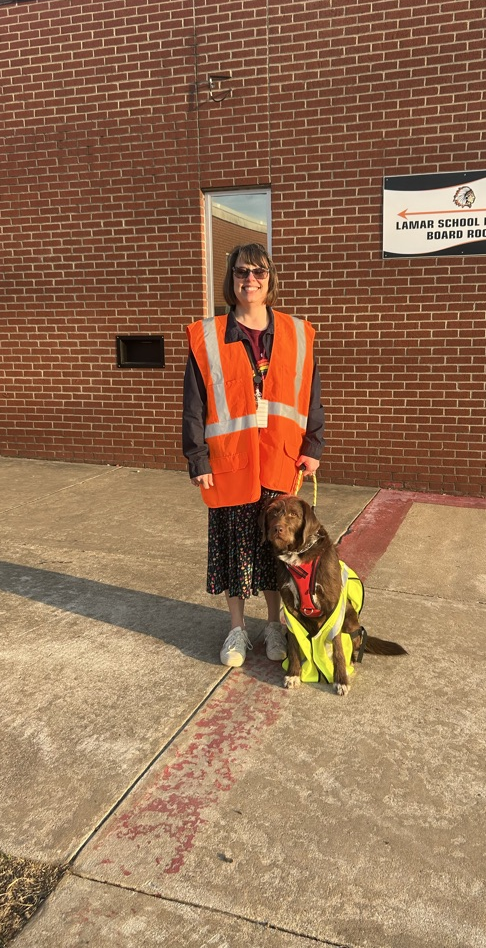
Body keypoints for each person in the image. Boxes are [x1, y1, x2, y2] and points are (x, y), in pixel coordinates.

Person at [182, 243, 325, 667]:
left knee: (275, 552)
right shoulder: (207, 336)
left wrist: (312, 446)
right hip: (229, 462)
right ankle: (237, 631)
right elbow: (194, 404)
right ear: (231, 279)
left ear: (269, 279)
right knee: (235, 550)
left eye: (259, 273)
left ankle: (275, 626)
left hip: (281, 460)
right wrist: (197, 458)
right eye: (242, 272)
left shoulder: (297, 333)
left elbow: (311, 395)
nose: (250, 280)